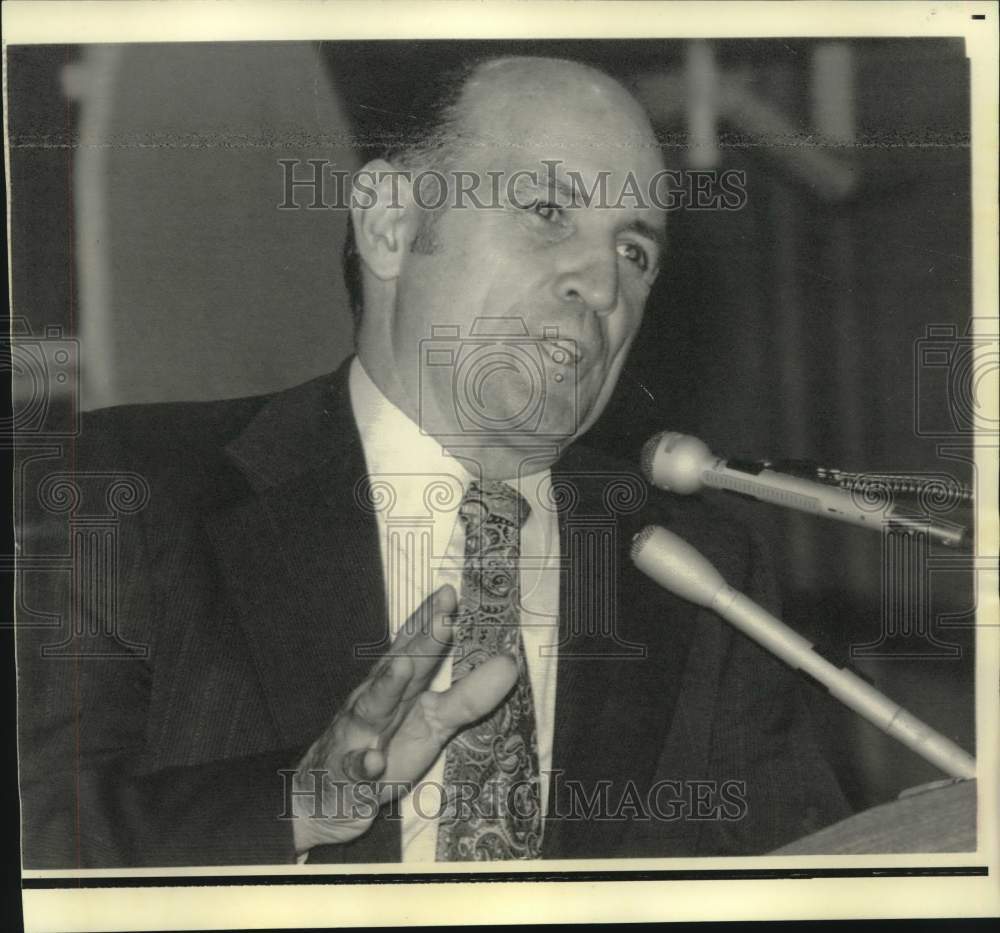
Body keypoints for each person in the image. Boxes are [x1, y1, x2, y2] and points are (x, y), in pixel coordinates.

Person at [17, 55, 850, 868]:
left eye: (634, 252)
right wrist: (297, 805)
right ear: (390, 224)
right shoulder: (121, 492)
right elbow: (44, 830)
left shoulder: (701, 573)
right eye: (547, 211)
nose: (602, 286)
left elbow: (803, 872)